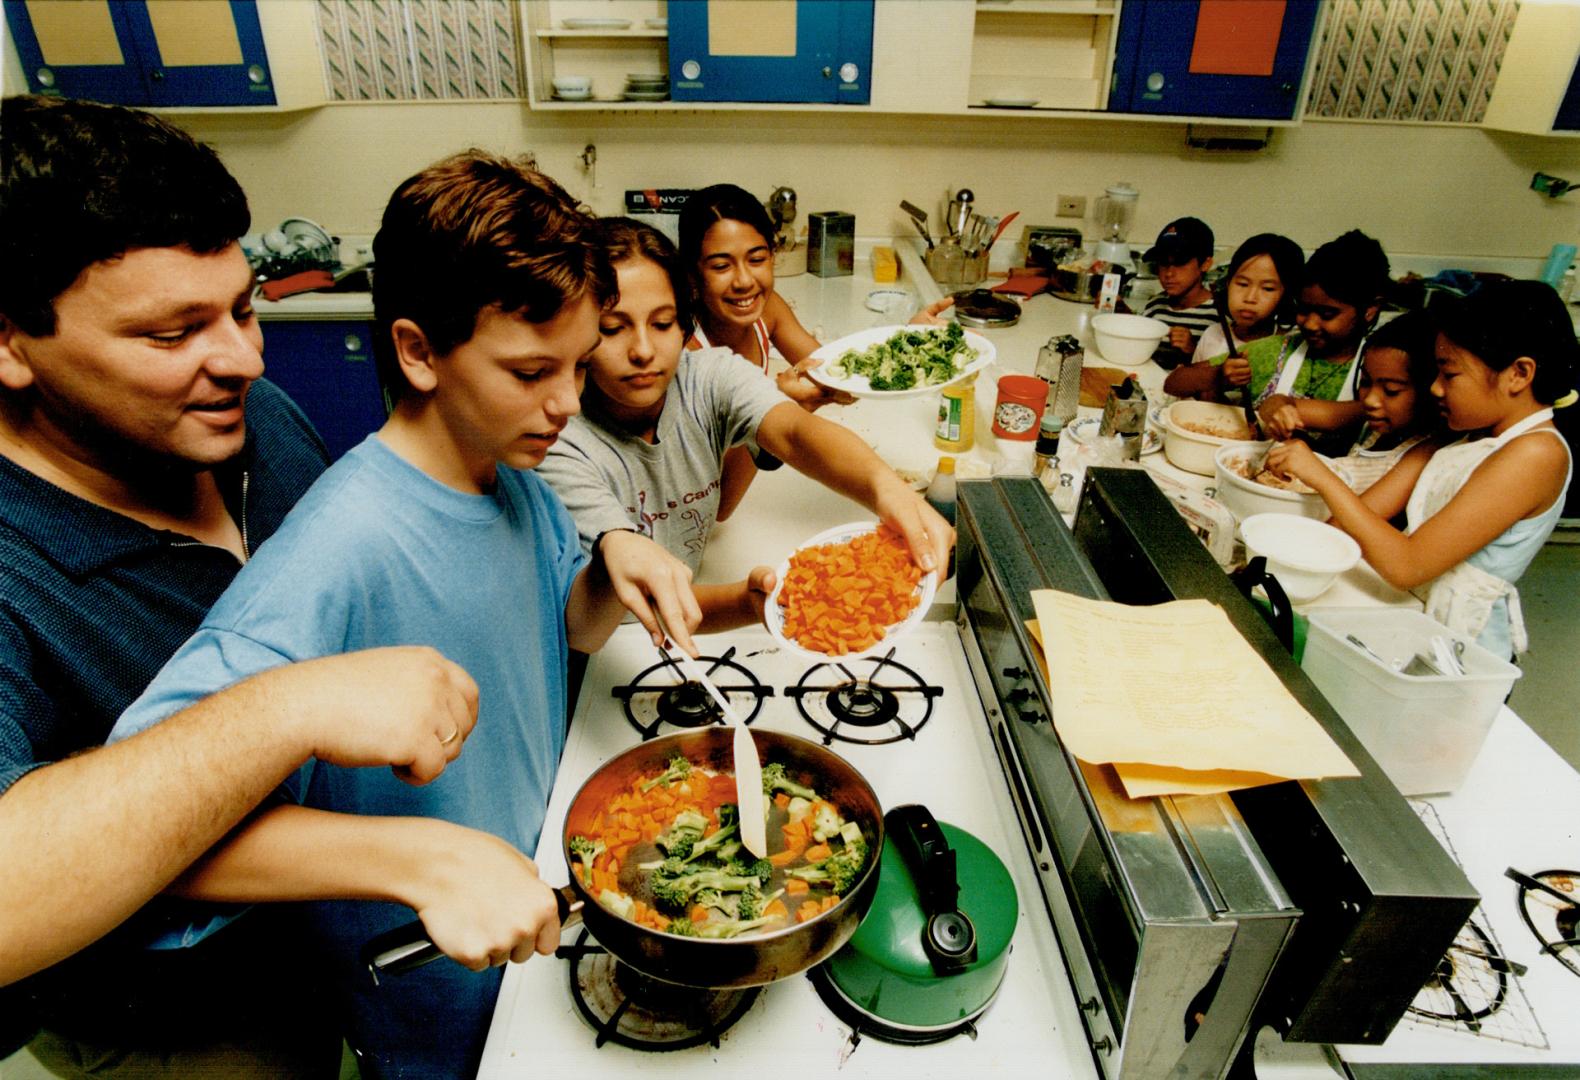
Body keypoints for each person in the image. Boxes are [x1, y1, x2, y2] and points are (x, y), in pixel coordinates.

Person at [108, 152, 705, 1078]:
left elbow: (565, 632)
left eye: (578, 368)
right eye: (531, 370)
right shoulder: (337, 548)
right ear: (419, 352)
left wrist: (608, 562)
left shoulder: (518, 474)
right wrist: (417, 860)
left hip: (536, 916)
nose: (566, 404)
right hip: (435, 979)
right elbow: (140, 837)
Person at [0, 95, 487, 1077]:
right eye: (172, 333)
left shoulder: (251, 417)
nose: (245, 358)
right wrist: (291, 705)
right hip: (178, 1014)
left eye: (242, 305)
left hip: (339, 927)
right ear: (11, 343)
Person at [537, 217, 953, 631]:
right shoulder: (558, 441)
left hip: (689, 619)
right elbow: (628, 608)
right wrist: (744, 602)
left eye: (662, 324)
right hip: (610, 643)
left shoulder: (706, 375)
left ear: (685, 324)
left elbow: (793, 432)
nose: (644, 350)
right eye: (612, 329)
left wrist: (888, 490)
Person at [1267, 281, 1577, 659]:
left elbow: (1407, 565)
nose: (1436, 388)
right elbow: (1347, 523)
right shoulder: (1472, 437)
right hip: (1419, 619)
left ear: (1519, 374)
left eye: (1450, 374)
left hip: (1462, 648)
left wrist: (1321, 476)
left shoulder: (1535, 453)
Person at [678, 184, 952, 520]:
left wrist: (907, 339)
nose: (744, 281)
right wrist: (779, 407)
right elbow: (718, 505)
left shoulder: (767, 312)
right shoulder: (686, 358)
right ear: (692, 273)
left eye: (757, 259)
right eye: (721, 266)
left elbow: (838, 373)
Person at [1252, 230, 1392, 443]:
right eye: (1304, 309)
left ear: (1370, 310)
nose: (1310, 323)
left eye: (1327, 314)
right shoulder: (1279, 349)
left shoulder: (1380, 363)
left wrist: (1286, 407)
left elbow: (1357, 412)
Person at [1315, 308, 1444, 495]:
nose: (1370, 400)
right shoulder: (1374, 422)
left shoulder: (1420, 454)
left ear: (1429, 390)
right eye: (1365, 382)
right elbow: (1287, 407)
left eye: (1391, 391)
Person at [1162, 233, 1304, 401]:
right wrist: (1217, 377)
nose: (1250, 298)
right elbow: (1177, 386)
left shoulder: (1290, 346)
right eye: (1242, 284)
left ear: (1286, 295)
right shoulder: (1214, 334)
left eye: (1267, 288)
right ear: (1228, 283)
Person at [1138, 216, 1218, 367]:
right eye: (1163, 263)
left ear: (1205, 264)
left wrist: (1193, 350)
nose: (1169, 273)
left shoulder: (1217, 316)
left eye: (1180, 263)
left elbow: (1220, 374)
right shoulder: (1155, 304)